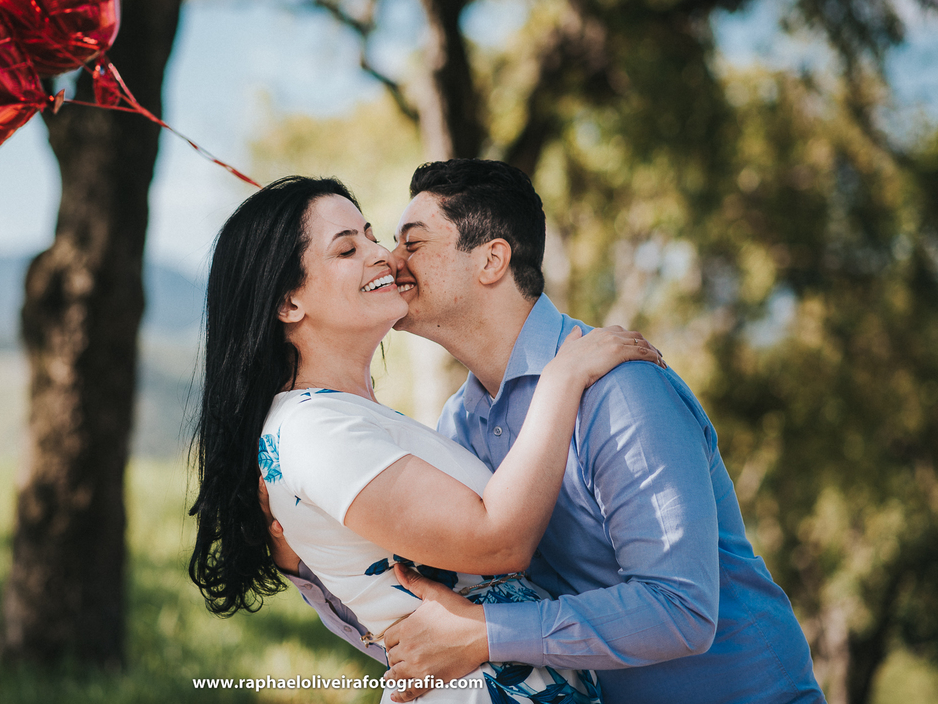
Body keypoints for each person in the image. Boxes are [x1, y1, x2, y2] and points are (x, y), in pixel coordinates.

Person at [275, 159, 825, 704]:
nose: (389, 260)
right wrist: (304, 559)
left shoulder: (619, 389)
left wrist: (489, 633)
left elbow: (682, 610)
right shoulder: (458, 425)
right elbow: (439, 631)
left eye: (411, 243)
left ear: (491, 260)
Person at [188, 176, 663, 703]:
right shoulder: (314, 431)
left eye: (372, 235)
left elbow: (410, 610)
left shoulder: (354, 419)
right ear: (288, 303)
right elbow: (498, 542)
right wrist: (562, 380)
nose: (383, 255)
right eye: (347, 249)